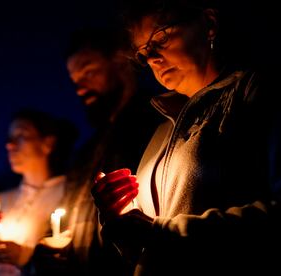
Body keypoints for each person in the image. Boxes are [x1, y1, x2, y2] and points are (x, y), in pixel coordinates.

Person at [91, 0, 281, 275]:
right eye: (144, 53)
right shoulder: (162, 132)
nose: (153, 58)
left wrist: (160, 233)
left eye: (161, 38)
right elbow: (142, 250)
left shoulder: (254, 93)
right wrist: (117, 218)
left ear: (210, 25)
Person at [32, 26, 162, 275]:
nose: (80, 88)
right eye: (75, 81)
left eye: (89, 72)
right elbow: (70, 220)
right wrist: (52, 248)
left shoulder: (157, 127)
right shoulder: (85, 154)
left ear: (121, 61)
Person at [0, 108, 78, 276]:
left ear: (47, 144)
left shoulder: (69, 194)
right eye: (10, 138)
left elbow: (73, 255)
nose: (10, 145)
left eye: (21, 136)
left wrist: (25, 256)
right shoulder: (2, 199)